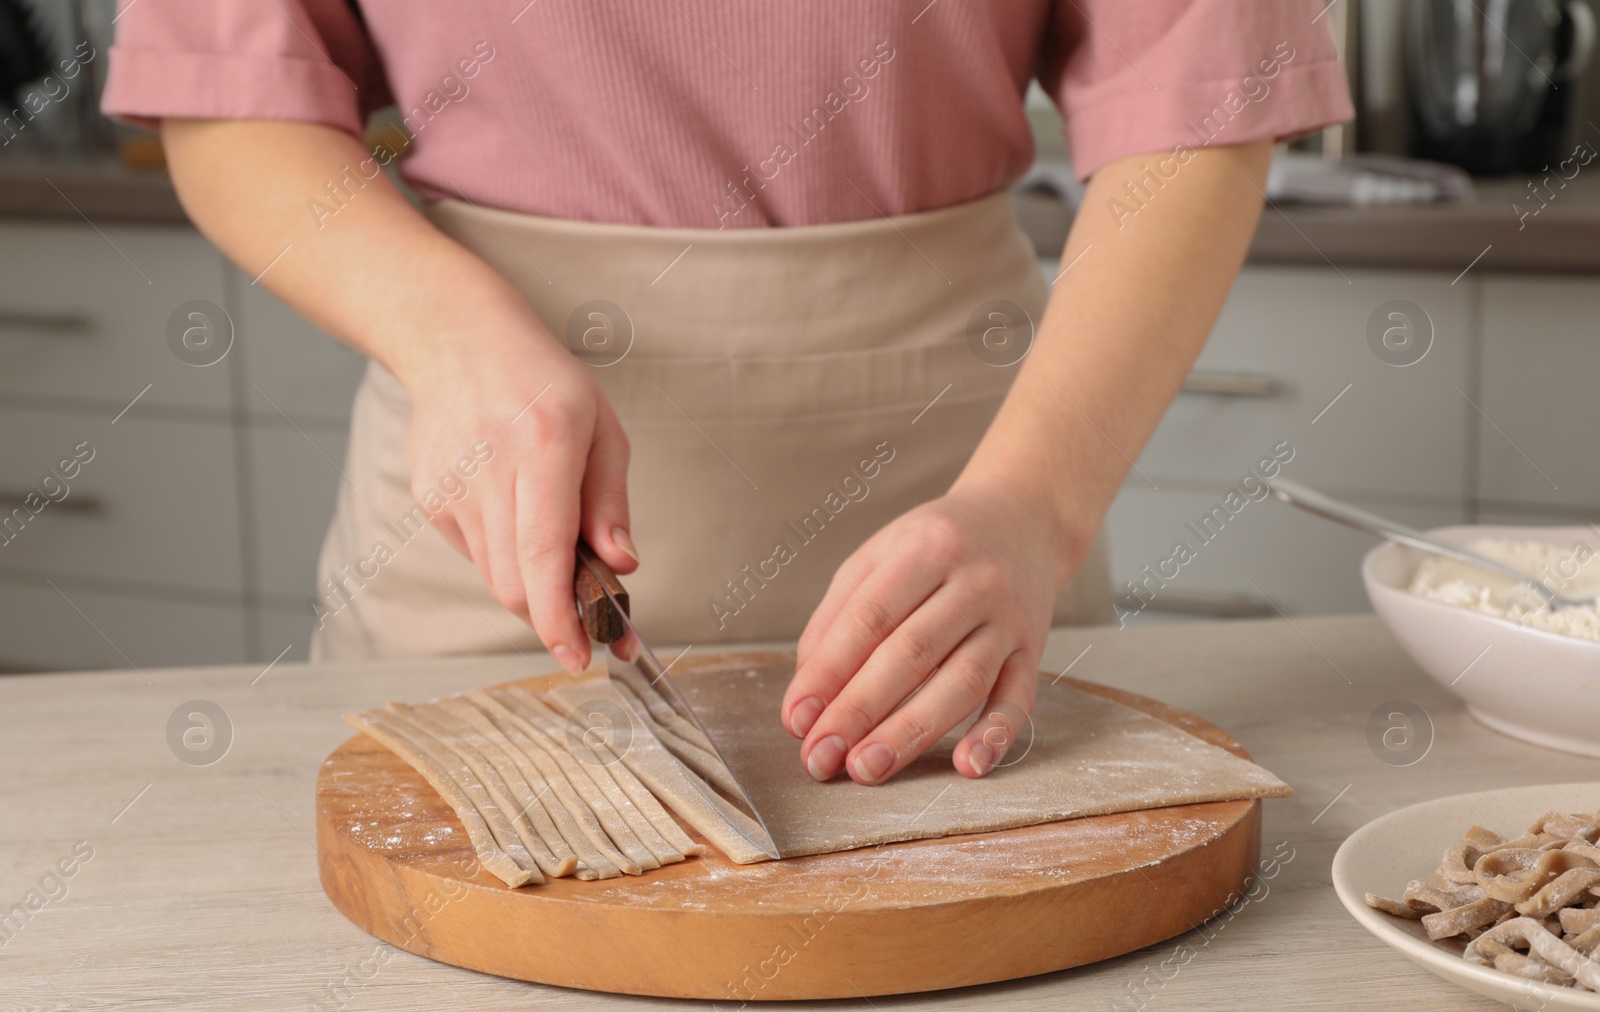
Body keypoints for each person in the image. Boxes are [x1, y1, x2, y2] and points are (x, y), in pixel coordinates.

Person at [103, 3, 1351, 787]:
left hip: (971, 531)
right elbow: (228, 88)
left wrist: (1038, 501)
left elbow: (1201, 90)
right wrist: (449, 332)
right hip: (482, 521)